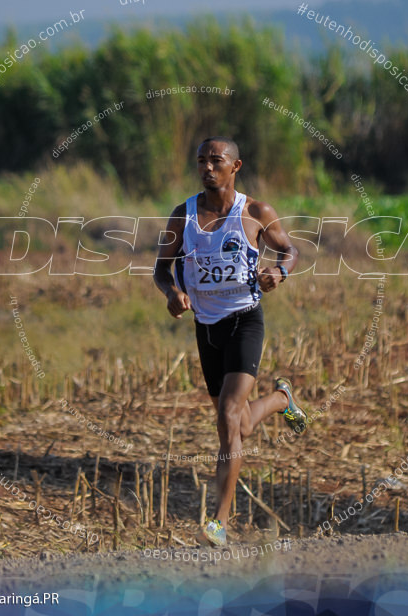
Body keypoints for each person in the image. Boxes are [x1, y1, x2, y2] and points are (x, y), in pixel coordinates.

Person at [153, 136, 307, 547]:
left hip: (245, 321)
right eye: (201, 160)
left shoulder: (256, 212)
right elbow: (160, 269)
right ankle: (280, 401)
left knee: (227, 416)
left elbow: (290, 250)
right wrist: (172, 293)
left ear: (235, 167)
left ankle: (219, 522)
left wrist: (280, 272)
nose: (207, 168)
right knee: (239, 425)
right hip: (206, 327)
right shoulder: (182, 216)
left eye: (216, 161)